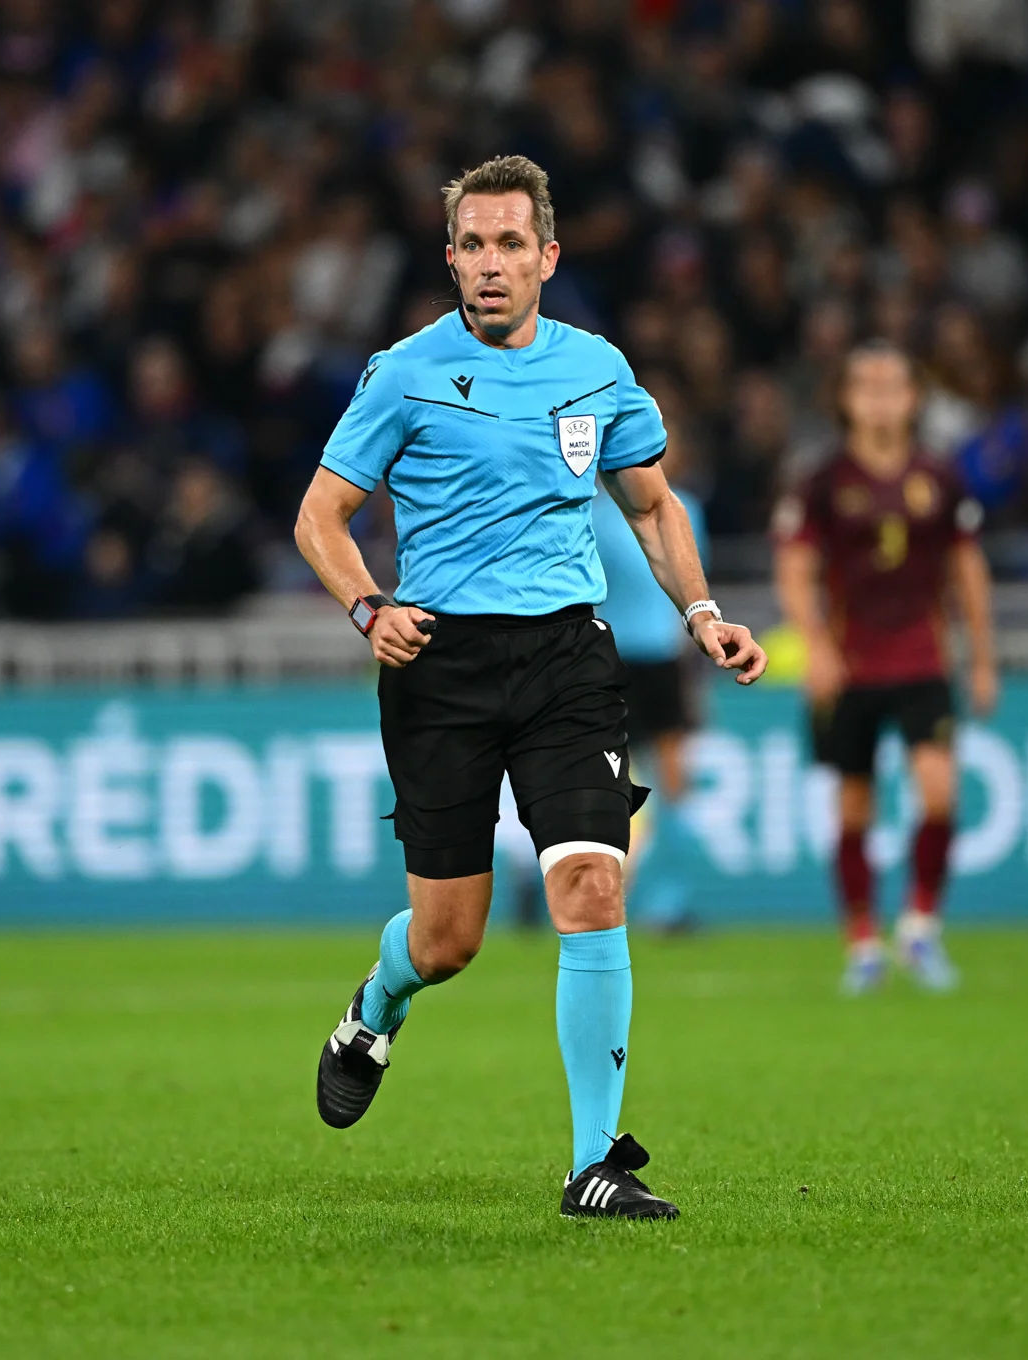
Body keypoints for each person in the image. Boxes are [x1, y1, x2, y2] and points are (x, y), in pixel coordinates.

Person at [294, 156, 767, 1221]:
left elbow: (651, 507)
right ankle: (377, 1005)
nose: (493, 263)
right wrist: (371, 608)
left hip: (568, 659)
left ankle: (596, 1161)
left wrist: (702, 615)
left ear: (548, 257)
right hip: (441, 668)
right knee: (448, 939)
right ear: (449, 256)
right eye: (475, 244)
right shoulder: (404, 373)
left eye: (513, 244)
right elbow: (319, 517)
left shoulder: (598, 369)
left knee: (593, 887)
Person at [772, 341, 998, 995]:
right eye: (865, 384)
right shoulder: (821, 484)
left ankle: (921, 925)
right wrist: (814, 645)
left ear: (913, 398)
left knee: (939, 791)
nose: (879, 395)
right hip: (850, 666)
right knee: (854, 806)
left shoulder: (942, 478)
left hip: (923, 659)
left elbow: (967, 571)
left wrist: (982, 658)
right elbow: (795, 569)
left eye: (892, 384)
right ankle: (863, 941)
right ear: (845, 399)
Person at [592, 443, 707, 931]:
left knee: (675, 782)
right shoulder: (591, 513)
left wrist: (694, 671)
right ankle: (595, 894)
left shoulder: (685, 510)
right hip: (610, 656)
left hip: (664, 659)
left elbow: (692, 589)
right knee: (610, 785)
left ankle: (669, 901)